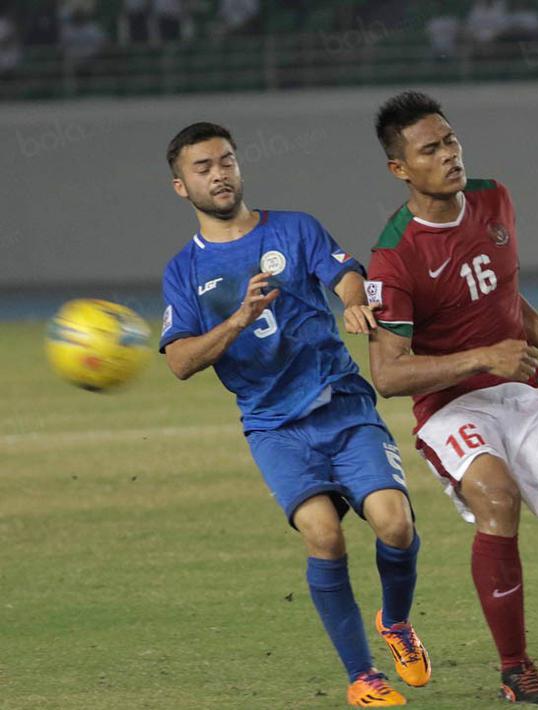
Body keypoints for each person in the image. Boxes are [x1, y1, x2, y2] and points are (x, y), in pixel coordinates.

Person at [365, 90, 538, 704]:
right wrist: (481, 358)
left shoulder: (494, 199)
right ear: (400, 169)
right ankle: (515, 667)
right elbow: (387, 374)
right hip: (449, 406)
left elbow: (505, 298)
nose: (449, 155)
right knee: (498, 498)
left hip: (521, 388)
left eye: (451, 140)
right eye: (430, 149)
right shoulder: (394, 256)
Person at [158, 123, 428, 708]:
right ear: (181, 186)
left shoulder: (295, 228)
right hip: (274, 427)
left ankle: (396, 622)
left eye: (226, 161)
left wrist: (353, 302)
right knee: (324, 536)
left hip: (342, 403)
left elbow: (347, 274)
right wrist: (235, 320)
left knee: (395, 525)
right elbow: (179, 361)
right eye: (203, 168)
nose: (219, 174)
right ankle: (362, 676)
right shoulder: (183, 271)